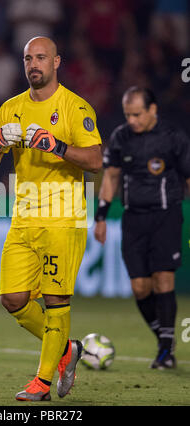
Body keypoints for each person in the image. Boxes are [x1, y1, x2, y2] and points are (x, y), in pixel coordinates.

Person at [0, 36, 102, 401]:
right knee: (13, 299)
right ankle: (68, 351)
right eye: (28, 58)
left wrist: (57, 146)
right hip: (23, 218)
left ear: (56, 62)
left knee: (55, 300)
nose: (34, 64)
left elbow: (96, 161)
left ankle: (43, 383)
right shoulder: (11, 108)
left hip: (63, 218)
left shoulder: (74, 108)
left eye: (41, 58)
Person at [94, 86, 190, 369]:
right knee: (139, 287)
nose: (132, 120)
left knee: (163, 279)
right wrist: (101, 217)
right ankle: (164, 336)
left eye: (137, 114)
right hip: (133, 219)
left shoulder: (173, 138)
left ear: (152, 110)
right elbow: (110, 177)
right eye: (127, 114)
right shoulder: (121, 137)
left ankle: (164, 351)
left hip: (166, 215)